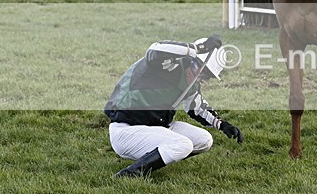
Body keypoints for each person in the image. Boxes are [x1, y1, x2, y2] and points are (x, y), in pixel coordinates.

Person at [104, 35, 243, 178]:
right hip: (126, 131)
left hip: (155, 127)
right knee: (183, 144)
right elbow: (155, 49)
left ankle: (155, 159)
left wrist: (222, 125)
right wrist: (199, 48)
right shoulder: (164, 64)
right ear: (191, 58)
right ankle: (129, 174)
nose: (199, 77)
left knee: (204, 140)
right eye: (197, 68)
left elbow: (196, 108)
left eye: (206, 76)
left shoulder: (190, 84)